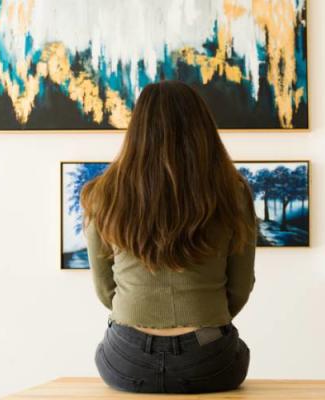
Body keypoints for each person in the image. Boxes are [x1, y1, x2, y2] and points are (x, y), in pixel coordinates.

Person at [81, 81, 257, 394]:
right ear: (203, 128)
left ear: (137, 128)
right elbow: (240, 287)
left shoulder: (101, 194)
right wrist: (205, 314)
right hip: (209, 354)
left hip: (128, 356)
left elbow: (104, 289)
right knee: (236, 352)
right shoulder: (234, 192)